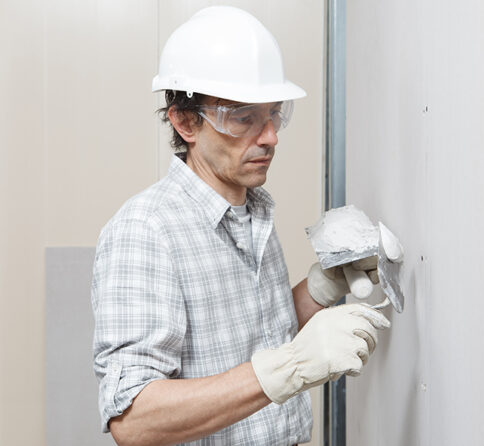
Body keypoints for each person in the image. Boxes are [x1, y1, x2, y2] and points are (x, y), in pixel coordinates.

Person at [91, 6, 401, 445]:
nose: (270, 135)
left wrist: (318, 290)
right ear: (184, 120)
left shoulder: (251, 209)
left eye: (275, 113)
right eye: (243, 117)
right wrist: (292, 366)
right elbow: (134, 418)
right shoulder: (146, 231)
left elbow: (246, 342)